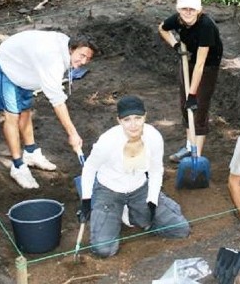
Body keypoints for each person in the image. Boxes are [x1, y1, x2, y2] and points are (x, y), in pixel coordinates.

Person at [77, 95, 190, 258]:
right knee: (104, 250)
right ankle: (114, 212)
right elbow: (89, 168)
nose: (133, 124)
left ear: (145, 116)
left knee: (180, 229)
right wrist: (86, 201)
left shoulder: (153, 137)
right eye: (127, 119)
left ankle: (134, 212)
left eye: (138, 118)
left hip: (139, 188)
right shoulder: (107, 141)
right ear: (119, 121)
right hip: (109, 191)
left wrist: (152, 200)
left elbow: (156, 170)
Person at [0, 30, 98, 189]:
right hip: (7, 65)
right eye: (81, 55)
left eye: (88, 58)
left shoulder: (66, 48)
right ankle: (18, 166)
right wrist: (72, 134)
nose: (83, 61)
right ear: (72, 48)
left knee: (25, 112)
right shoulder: (51, 59)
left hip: (26, 69)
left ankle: (31, 152)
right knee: (12, 116)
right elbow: (57, 101)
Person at [158, 0, 223, 162]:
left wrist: (193, 94)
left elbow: (200, 65)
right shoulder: (177, 19)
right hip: (188, 58)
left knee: (198, 107)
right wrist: (176, 46)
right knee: (184, 105)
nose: (188, 12)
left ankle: (197, 154)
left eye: (192, 9)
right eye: (184, 8)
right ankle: (189, 147)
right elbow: (162, 28)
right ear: (179, 9)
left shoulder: (206, 26)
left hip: (208, 64)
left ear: (199, 10)